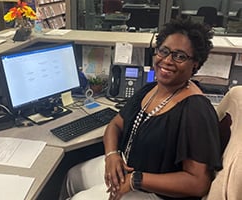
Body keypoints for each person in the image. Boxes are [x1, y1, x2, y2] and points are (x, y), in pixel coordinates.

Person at [63, 18, 222, 200]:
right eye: (164, 51)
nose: (168, 60)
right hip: (126, 166)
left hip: (156, 192)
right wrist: (112, 155)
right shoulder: (151, 89)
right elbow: (115, 125)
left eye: (180, 56)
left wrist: (136, 180)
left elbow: (198, 183)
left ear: (195, 63)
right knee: (72, 176)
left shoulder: (195, 110)